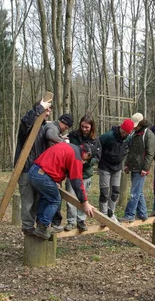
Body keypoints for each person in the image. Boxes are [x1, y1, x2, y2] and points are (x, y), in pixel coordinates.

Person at [28, 142, 96, 240]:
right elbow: (77, 182)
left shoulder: (69, 147)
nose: (84, 161)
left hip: (34, 171)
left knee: (46, 197)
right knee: (55, 200)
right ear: (87, 153)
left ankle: (40, 224)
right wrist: (85, 203)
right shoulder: (76, 157)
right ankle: (42, 227)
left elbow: (55, 162)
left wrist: (52, 180)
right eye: (86, 159)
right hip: (43, 175)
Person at [25, 112, 74, 231]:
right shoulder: (52, 127)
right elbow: (50, 135)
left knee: (46, 197)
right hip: (44, 168)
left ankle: (44, 222)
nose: (64, 130)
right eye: (65, 127)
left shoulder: (54, 128)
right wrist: (63, 143)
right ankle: (44, 224)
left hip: (44, 168)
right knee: (55, 199)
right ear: (62, 122)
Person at [14, 97, 52, 236]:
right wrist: (40, 107)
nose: (47, 113)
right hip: (25, 168)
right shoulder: (28, 125)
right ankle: (28, 227)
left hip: (38, 170)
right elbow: (26, 122)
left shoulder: (43, 127)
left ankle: (36, 226)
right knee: (28, 200)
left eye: (48, 110)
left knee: (37, 200)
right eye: (45, 110)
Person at [64, 115, 101, 232]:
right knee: (70, 197)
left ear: (91, 127)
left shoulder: (96, 140)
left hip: (85, 173)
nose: (84, 129)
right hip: (72, 171)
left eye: (87, 127)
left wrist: (87, 162)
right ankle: (71, 221)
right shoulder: (73, 135)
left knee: (83, 197)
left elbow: (98, 157)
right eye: (82, 126)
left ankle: (81, 220)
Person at [120, 113, 155, 222]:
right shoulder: (135, 134)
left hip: (141, 169)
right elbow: (131, 152)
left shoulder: (149, 135)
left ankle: (129, 215)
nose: (134, 127)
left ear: (141, 123)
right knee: (138, 192)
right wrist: (127, 164)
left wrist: (145, 168)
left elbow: (150, 153)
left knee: (134, 193)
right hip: (133, 167)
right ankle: (143, 214)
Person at [98, 118, 134, 221]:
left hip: (117, 167)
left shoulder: (128, 139)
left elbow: (129, 149)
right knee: (105, 192)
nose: (123, 134)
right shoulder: (109, 136)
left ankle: (111, 212)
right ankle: (103, 214)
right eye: (123, 132)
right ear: (120, 128)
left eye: (126, 133)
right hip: (105, 166)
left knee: (115, 191)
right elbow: (98, 144)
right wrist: (98, 157)